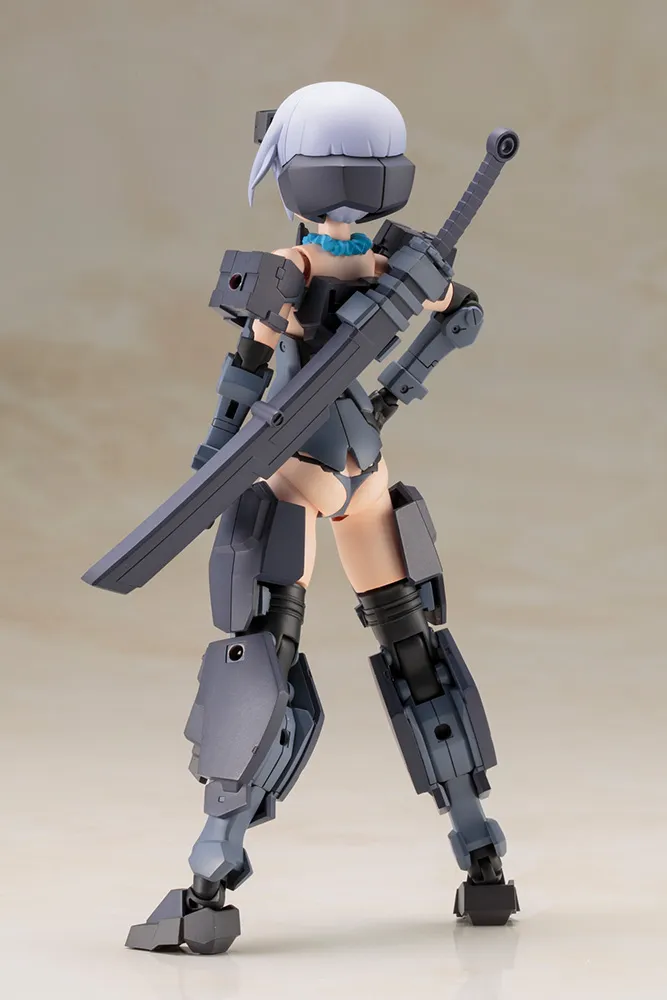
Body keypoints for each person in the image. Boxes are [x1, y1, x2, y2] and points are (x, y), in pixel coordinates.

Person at [125, 81, 518, 955]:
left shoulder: (295, 270)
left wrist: (220, 450)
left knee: (259, 653)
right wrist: (399, 381)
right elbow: (461, 316)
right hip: (363, 470)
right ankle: (481, 856)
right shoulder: (392, 265)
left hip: (299, 473)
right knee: (411, 649)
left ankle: (209, 879)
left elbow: (245, 369)